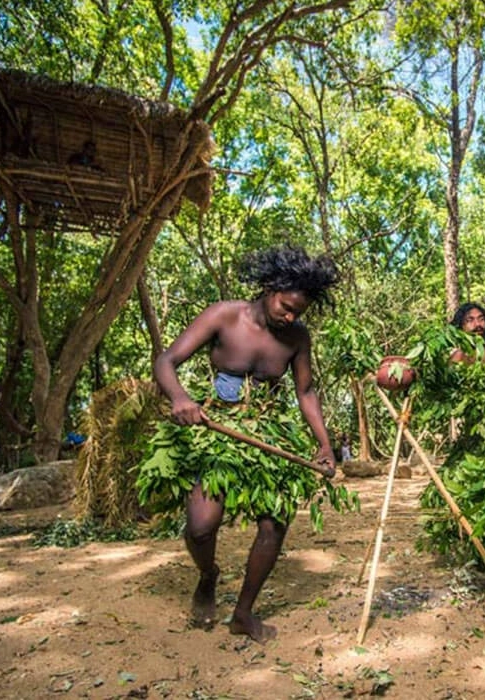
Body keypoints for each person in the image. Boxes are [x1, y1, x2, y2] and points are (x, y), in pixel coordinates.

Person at [153, 245, 339, 642]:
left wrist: (325, 445)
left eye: (298, 313)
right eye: (286, 307)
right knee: (201, 528)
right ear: (270, 289)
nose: (290, 317)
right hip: (217, 429)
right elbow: (165, 361)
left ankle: (243, 613)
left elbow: (305, 392)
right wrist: (181, 399)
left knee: (274, 523)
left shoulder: (297, 337)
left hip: (268, 433)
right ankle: (208, 574)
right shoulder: (224, 315)